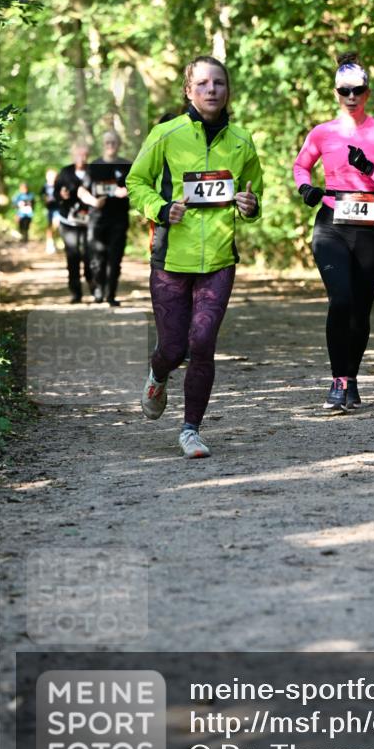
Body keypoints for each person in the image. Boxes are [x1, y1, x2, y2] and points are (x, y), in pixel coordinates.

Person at [126, 55, 263, 458]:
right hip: (170, 258)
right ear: (188, 90)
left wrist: (250, 205)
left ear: (227, 90)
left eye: (218, 83)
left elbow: (256, 195)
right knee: (172, 347)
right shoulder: (166, 134)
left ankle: (190, 429)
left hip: (219, 260)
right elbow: (136, 182)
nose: (211, 90)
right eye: (202, 83)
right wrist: (162, 208)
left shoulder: (241, 141)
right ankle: (157, 373)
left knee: (202, 342)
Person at [293, 51, 374, 413]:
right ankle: (338, 379)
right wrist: (306, 189)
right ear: (336, 93)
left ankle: (352, 378)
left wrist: (369, 167)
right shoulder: (322, 132)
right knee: (340, 300)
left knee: (360, 309)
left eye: (358, 90)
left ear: (368, 92)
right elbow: (301, 166)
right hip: (332, 224)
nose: (351, 97)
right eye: (345, 91)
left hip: (371, 226)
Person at [84, 130, 130, 306]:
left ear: (119, 144)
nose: (110, 145)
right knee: (97, 257)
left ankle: (111, 294)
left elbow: (139, 186)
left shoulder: (127, 165)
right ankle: (98, 290)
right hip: (97, 219)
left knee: (115, 258)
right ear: (102, 145)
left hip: (119, 219)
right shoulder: (94, 165)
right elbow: (82, 190)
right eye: (107, 142)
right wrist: (94, 202)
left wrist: (127, 191)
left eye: (113, 142)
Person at [54, 143, 92, 303]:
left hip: (89, 221)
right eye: (78, 155)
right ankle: (76, 292)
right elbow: (55, 192)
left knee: (90, 256)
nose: (81, 158)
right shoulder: (65, 172)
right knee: (73, 255)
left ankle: (95, 287)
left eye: (84, 155)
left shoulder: (93, 172)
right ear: (73, 156)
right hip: (68, 222)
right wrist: (61, 195)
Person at [40, 168, 60, 253]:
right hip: (49, 209)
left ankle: (54, 241)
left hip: (58, 208)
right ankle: (50, 244)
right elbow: (41, 196)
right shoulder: (45, 186)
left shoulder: (58, 185)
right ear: (47, 176)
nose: (51, 177)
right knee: (50, 226)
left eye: (53, 176)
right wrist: (45, 199)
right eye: (50, 176)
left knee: (57, 224)